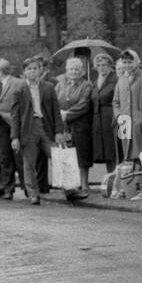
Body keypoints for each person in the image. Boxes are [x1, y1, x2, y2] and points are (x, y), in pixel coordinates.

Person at [16, 56, 62, 206]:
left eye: (35, 68)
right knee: (29, 163)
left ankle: (69, 189)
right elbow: (15, 115)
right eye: (29, 69)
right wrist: (14, 137)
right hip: (28, 128)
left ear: (40, 70)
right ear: (24, 72)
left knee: (57, 157)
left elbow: (56, 110)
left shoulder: (48, 87)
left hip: (45, 126)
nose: (32, 71)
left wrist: (59, 131)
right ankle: (33, 194)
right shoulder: (20, 89)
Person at [113, 49, 142, 200]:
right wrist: (119, 116)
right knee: (129, 157)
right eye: (124, 62)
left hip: (140, 121)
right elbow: (116, 101)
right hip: (124, 123)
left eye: (130, 61)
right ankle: (130, 187)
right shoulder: (121, 79)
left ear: (136, 61)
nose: (127, 65)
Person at [0, 59, 28, 199]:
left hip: (15, 123)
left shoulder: (19, 83)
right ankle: (8, 189)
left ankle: (27, 187)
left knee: (19, 157)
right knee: (4, 157)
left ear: (1, 72)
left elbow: (25, 106)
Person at [57, 56, 95, 198]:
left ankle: (84, 184)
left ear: (81, 71)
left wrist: (67, 114)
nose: (73, 71)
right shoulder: (61, 84)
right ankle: (70, 184)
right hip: (64, 127)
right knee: (67, 155)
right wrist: (59, 114)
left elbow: (84, 104)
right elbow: (55, 100)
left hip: (80, 125)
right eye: (70, 69)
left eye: (76, 69)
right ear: (66, 71)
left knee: (82, 155)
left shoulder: (86, 85)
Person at [91, 52, 119, 182]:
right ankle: (111, 179)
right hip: (99, 120)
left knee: (114, 150)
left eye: (104, 65)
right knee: (107, 152)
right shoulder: (96, 81)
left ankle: (117, 180)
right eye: (99, 65)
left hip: (111, 118)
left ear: (110, 65)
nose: (101, 68)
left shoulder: (115, 79)